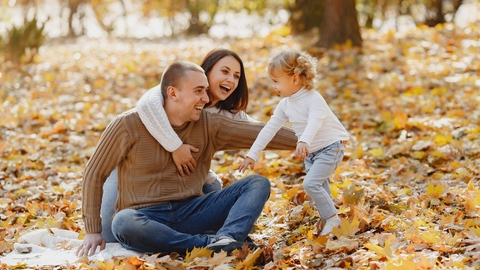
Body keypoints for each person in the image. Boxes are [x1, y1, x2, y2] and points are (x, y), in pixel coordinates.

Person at [76, 60, 297, 257]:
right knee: (123, 222)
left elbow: (261, 132)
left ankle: (227, 238)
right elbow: (94, 173)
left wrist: (313, 139)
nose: (206, 98)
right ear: (173, 94)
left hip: (193, 210)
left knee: (257, 183)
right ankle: (210, 244)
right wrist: (93, 231)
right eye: (199, 91)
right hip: (145, 215)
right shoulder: (127, 124)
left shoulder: (209, 124)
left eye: (206, 90)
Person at [100, 49, 257, 243]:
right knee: (109, 235)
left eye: (236, 76)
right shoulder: (176, 91)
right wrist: (175, 146)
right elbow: (146, 106)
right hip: (138, 176)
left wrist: (304, 137)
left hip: (183, 185)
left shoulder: (229, 114)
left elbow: (260, 131)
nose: (231, 80)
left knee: (213, 185)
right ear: (206, 72)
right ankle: (186, 237)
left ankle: (215, 239)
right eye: (224, 72)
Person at [238, 48, 350, 236]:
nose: (274, 87)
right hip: (312, 153)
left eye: (276, 81)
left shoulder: (313, 99)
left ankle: (333, 219)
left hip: (331, 147)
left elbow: (316, 120)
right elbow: (269, 129)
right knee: (320, 185)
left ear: (295, 79)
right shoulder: (285, 104)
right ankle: (329, 224)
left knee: (311, 183)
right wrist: (252, 153)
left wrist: (304, 140)